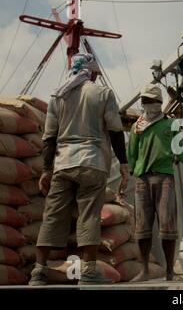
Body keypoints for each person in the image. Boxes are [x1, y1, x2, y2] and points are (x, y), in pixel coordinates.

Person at [29, 53, 129, 286]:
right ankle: (89, 271)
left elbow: (49, 137)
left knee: (52, 215)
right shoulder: (102, 93)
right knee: (89, 216)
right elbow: (115, 131)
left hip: (63, 164)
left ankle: (39, 271)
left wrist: (46, 169)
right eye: (95, 72)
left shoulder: (58, 95)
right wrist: (123, 165)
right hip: (92, 163)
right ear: (91, 72)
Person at [127, 84, 183, 282]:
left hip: (165, 179)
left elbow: (181, 150)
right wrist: (130, 173)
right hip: (142, 179)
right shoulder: (137, 126)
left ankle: (170, 272)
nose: (145, 104)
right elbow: (132, 154)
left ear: (158, 102)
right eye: (143, 101)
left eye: (149, 100)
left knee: (167, 226)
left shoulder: (171, 125)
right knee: (142, 228)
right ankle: (144, 270)